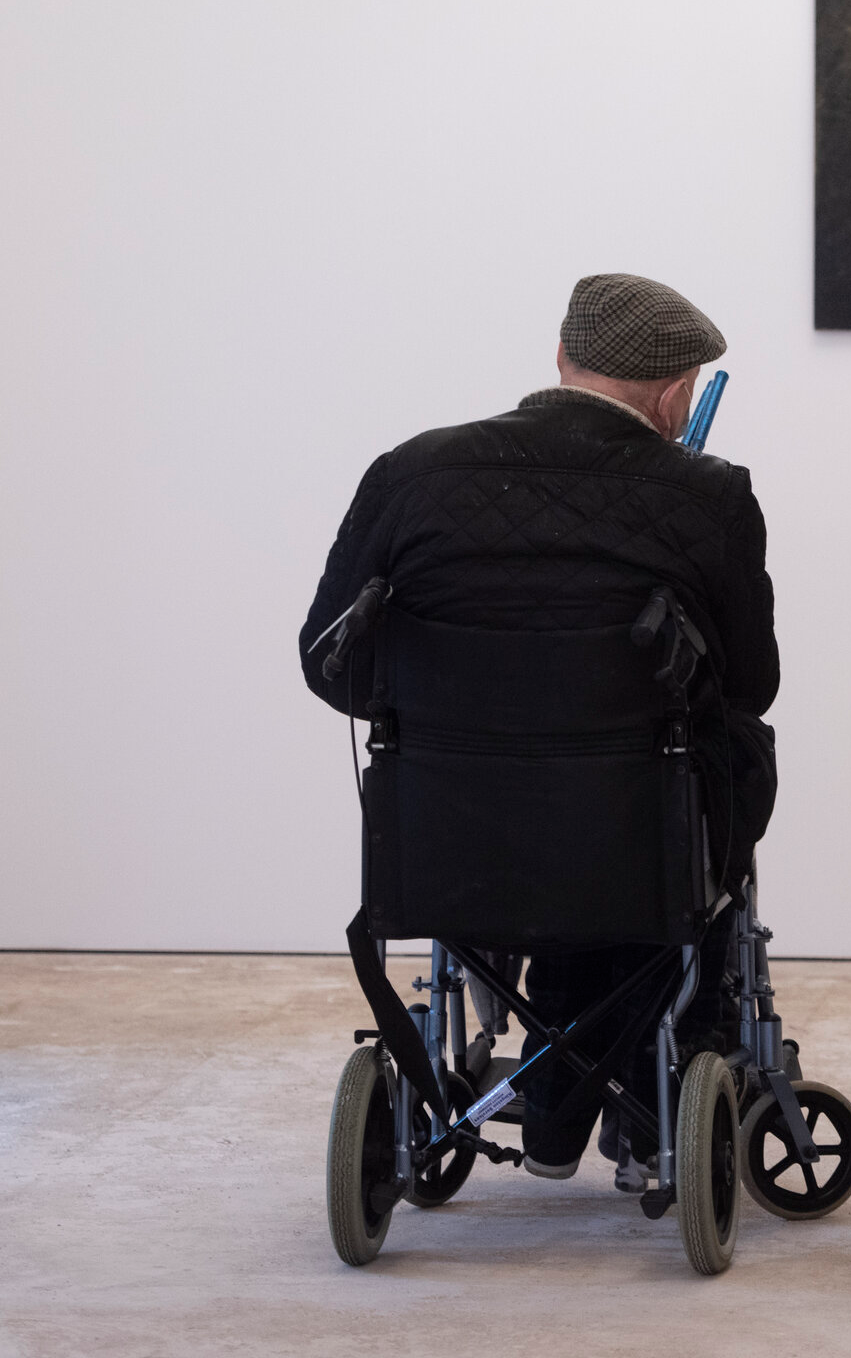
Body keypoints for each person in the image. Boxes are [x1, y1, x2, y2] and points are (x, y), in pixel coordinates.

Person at [301, 273, 778, 1189]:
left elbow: (330, 664)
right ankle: (644, 1075)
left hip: (450, 839)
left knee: (583, 815)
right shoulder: (706, 495)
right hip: (635, 836)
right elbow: (752, 682)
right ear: (678, 394)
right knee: (718, 769)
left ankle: (558, 1088)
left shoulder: (412, 472)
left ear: (561, 359)